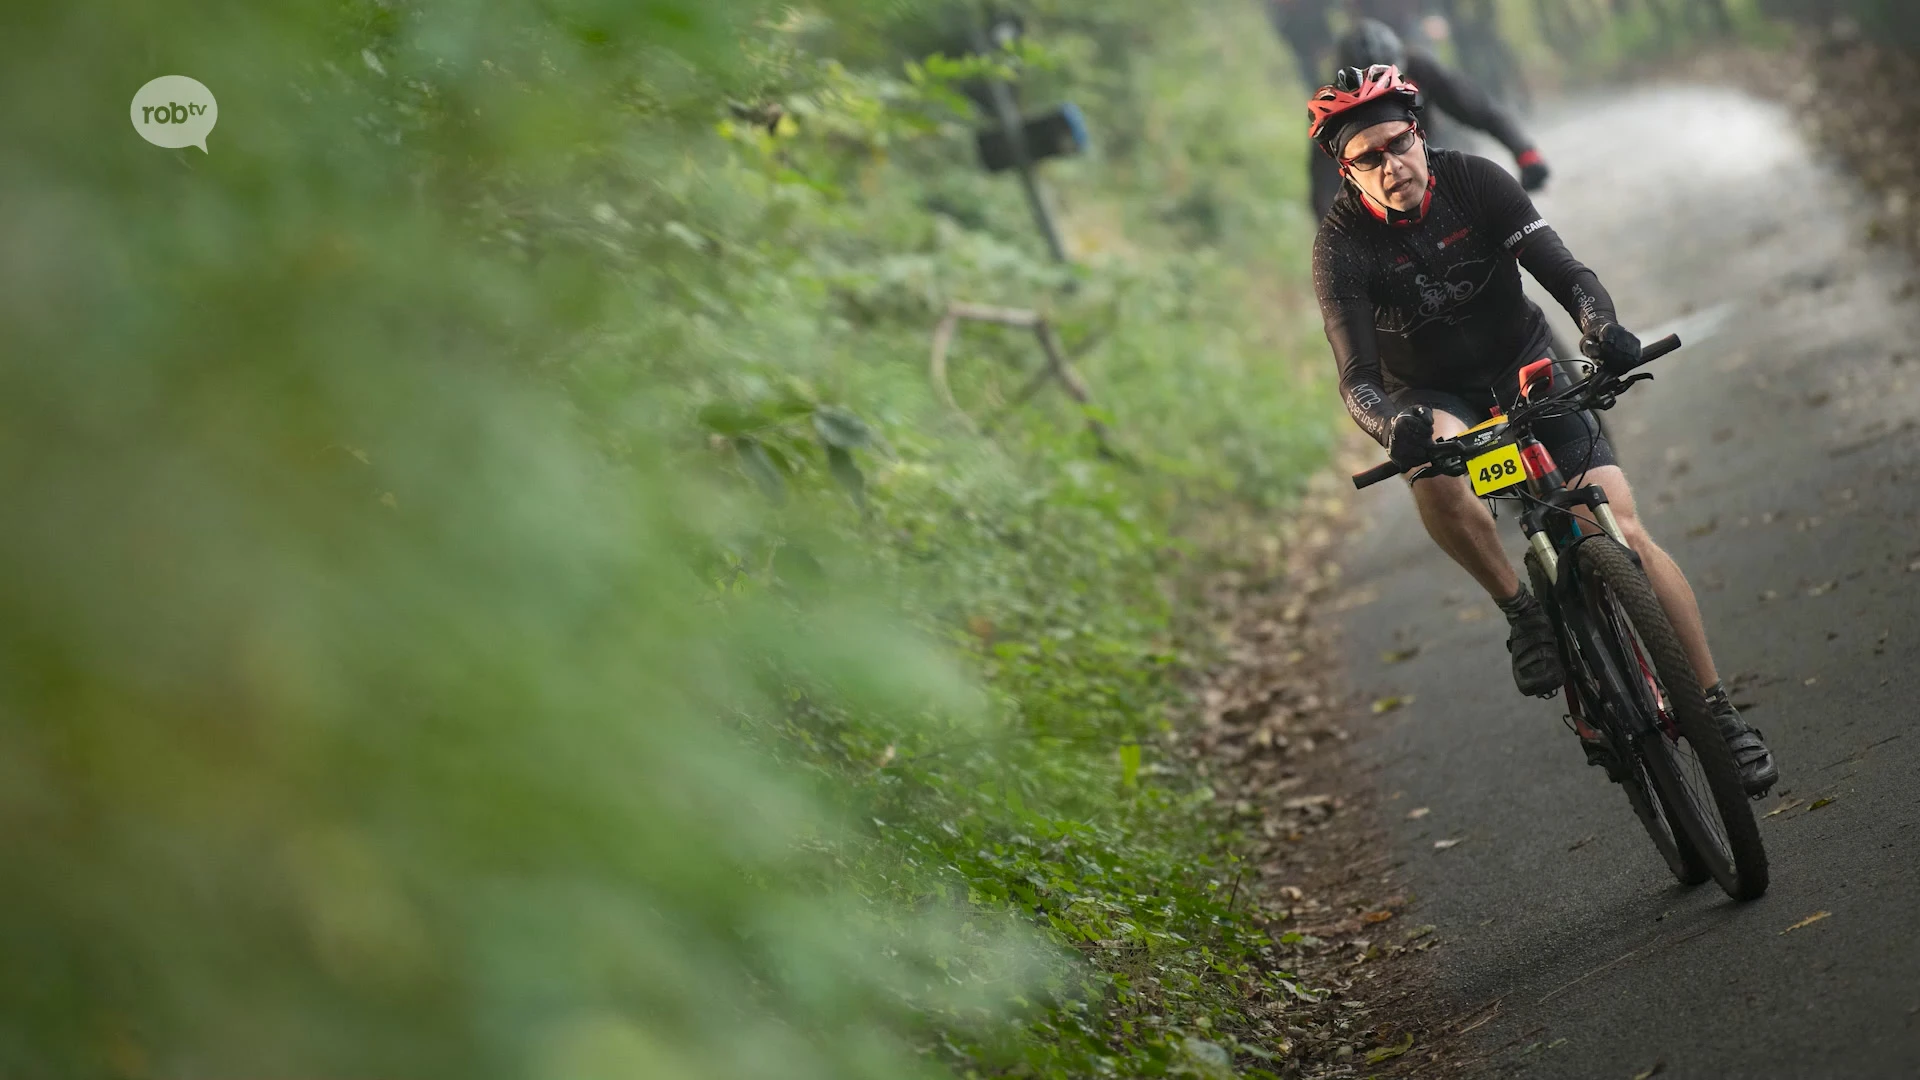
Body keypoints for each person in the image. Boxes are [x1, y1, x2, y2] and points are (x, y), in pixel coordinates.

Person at [1306, 65, 1778, 795]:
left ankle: (1718, 712)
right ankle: (1521, 611)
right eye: (1367, 157)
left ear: (1420, 133)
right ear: (1345, 169)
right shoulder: (1340, 246)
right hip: (1433, 391)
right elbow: (1357, 378)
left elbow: (1565, 271)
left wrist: (1601, 327)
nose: (1389, 165)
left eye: (1398, 143)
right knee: (1424, 467)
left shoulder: (1477, 182)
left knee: (1623, 528)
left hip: (1523, 358)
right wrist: (1390, 426)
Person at [1309, 19, 1548, 220]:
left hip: (1432, 161)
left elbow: (1478, 109)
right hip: (1377, 197)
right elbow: (1323, 180)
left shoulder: (1420, 68)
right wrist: (1336, 235)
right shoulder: (1333, 105)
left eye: (1388, 83)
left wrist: (1524, 152)